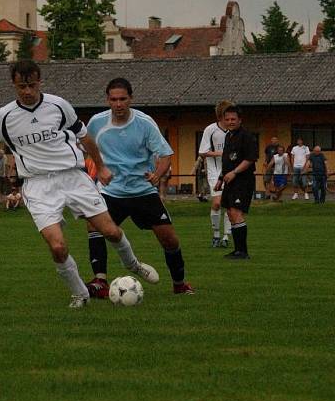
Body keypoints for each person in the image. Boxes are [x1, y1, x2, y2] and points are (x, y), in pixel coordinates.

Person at [0, 60, 158, 309]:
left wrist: (100, 167)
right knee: (58, 247)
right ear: (14, 85)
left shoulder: (59, 106)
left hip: (73, 177)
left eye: (31, 85)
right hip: (38, 186)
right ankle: (80, 293)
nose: (27, 91)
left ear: (40, 82)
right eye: (21, 86)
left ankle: (132, 264)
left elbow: (85, 137)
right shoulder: (5, 116)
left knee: (111, 231)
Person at [83, 78, 194, 299]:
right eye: (113, 99)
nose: (118, 104)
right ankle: (100, 280)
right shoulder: (96, 123)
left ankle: (179, 284)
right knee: (93, 225)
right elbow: (85, 145)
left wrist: (157, 175)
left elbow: (165, 155)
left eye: (123, 99)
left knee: (169, 239)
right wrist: (98, 168)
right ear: (107, 100)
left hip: (142, 191)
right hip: (111, 191)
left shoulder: (144, 123)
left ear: (130, 99)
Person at [214, 105, 257, 259]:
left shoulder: (247, 136)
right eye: (227, 119)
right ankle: (238, 250)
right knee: (231, 213)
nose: (230, 122)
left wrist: (235, 172)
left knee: (237, 213)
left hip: (243, 180)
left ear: (240, 120)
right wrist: (221, 178)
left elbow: (250, 159)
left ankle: (243, 252)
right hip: (230, 181)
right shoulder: (228, 136)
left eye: (233, 119)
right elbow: (227, 160)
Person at [198, 100, 234, 248]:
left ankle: (226, 236)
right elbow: (202, 152)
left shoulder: (236, 131)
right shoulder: (210, 130)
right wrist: (222, 153)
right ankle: (216, 234)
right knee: (217, 203)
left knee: (229, 205)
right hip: (215, 171)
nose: (229, 120)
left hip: (232, 171)